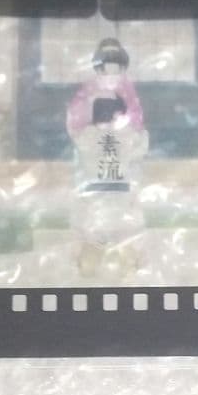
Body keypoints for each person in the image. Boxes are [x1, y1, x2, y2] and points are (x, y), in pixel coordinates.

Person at [70, 94, 149, 278]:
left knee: (92, 241)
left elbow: (79, 150)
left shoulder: (86, 136)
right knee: (126, 241)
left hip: (94, 200)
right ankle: (129, 268)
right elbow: (141, 145)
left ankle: (87, 268)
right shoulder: (129, 135)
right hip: (123, 199)